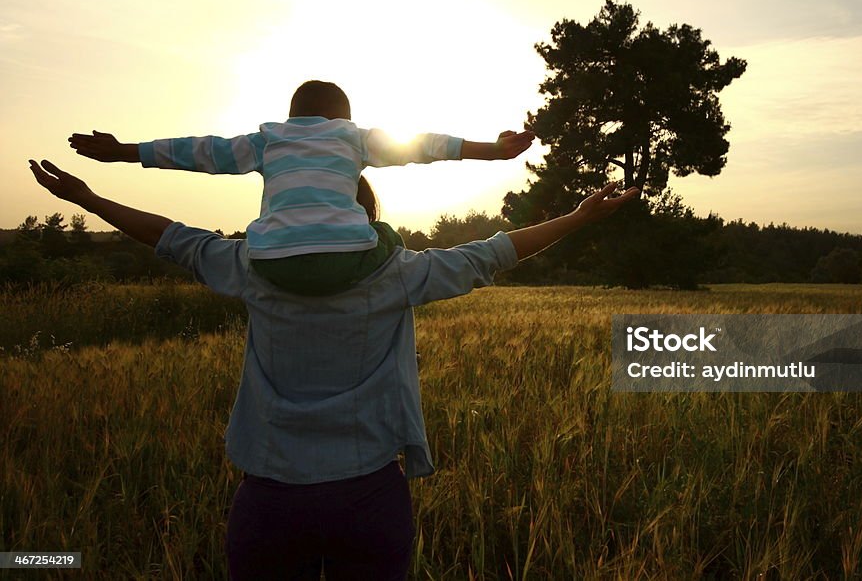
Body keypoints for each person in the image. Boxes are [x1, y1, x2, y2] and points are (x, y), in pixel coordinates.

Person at [28, 158, 639, 580]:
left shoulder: (251, 266)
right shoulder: (399, 272)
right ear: (365, 219)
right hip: (370, 497)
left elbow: (172, 237)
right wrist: (581, 217)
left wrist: (87, 198)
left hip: (269, 500)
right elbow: (496, 253)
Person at [67, 80, 535, 295]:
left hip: (273, 264)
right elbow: (422, 145)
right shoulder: (353, 137)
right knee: (389, 239)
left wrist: (126, 151)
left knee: (264, 234)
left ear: (292, 117)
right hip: (347, 257)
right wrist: (490, 151)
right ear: (344, 118)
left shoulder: (268, 140)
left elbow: (200, 151)